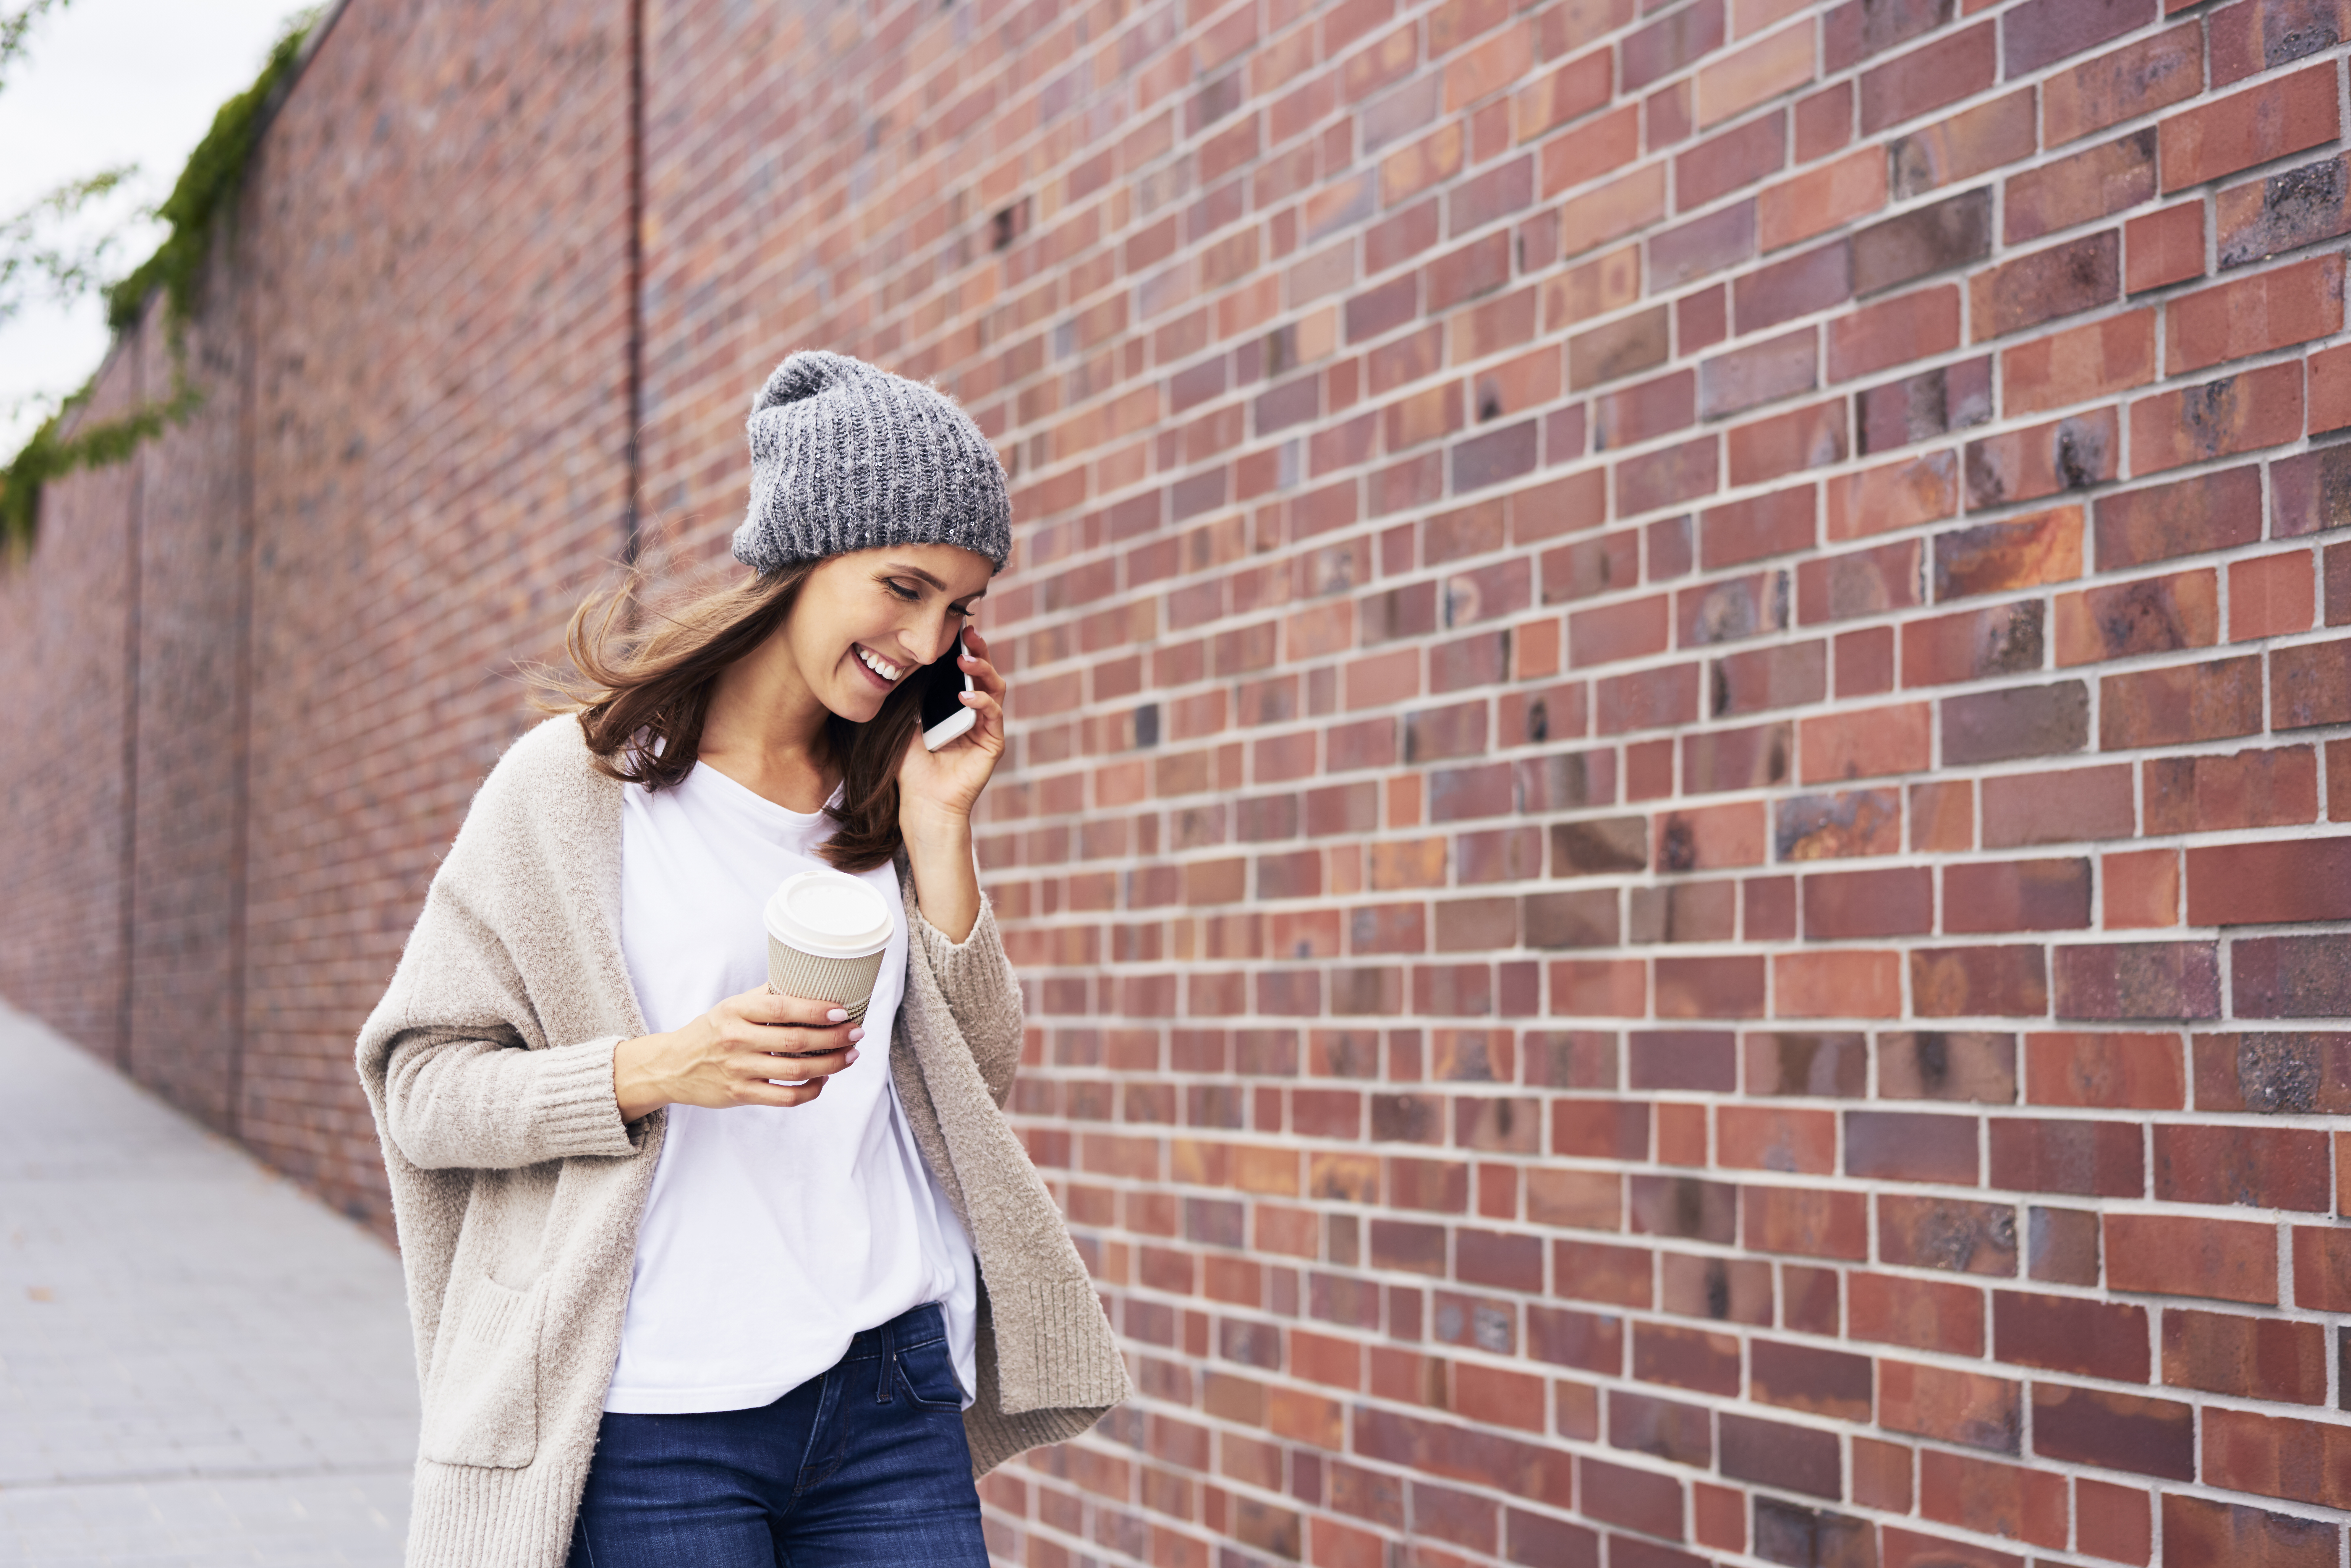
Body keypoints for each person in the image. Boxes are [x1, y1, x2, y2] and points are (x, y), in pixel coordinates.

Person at [356, 351, 1128, 1568]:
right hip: (655, 1408)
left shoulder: (886, 799)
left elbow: (974, 1085)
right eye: (904, 587)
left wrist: (940, 833)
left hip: (886, 1392)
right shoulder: (574, 791)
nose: (924, 639)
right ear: (804, 556)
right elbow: (421, 1092)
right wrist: (654, 1069)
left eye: (959, 611)